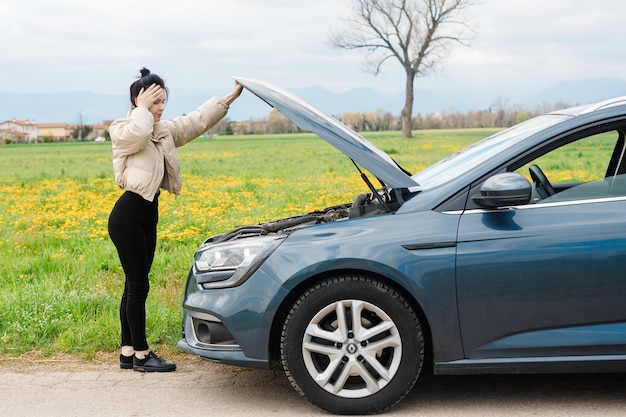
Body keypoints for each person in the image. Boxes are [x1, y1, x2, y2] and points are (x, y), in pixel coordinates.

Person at [107, 67, 243, 372]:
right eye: (155, 102)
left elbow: (196, 121)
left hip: (147, 213)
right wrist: (141, 110)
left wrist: (229, 98)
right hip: (127, 214)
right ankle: (142, 355)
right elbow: (138, 133)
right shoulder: (122, 129)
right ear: (138, 101)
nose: (161, 108)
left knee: (134, 285)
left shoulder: (164, 130)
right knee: (139, 286)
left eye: (163, 101)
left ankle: (128, 351)